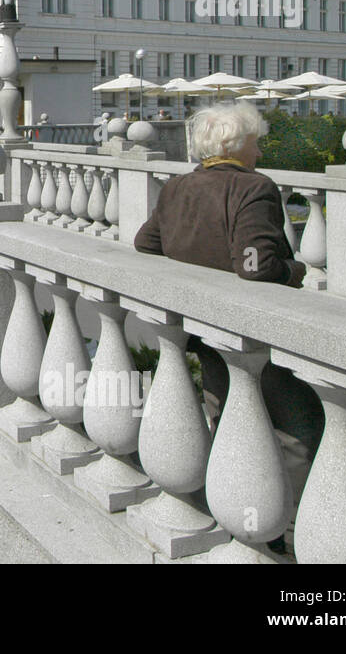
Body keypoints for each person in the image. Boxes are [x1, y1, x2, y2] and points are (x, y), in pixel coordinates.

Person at [133, 102, 320, 527]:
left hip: (203, 333)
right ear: (236, 146)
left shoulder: (178, 186)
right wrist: (296, 270)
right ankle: (287, 528)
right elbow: (255, 266)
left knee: (228, 421)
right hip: (254, 334)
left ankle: (235, 507)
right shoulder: (254, 187)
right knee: (298, 431)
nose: (259, 152)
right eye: (255, 143)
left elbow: (146, 243)